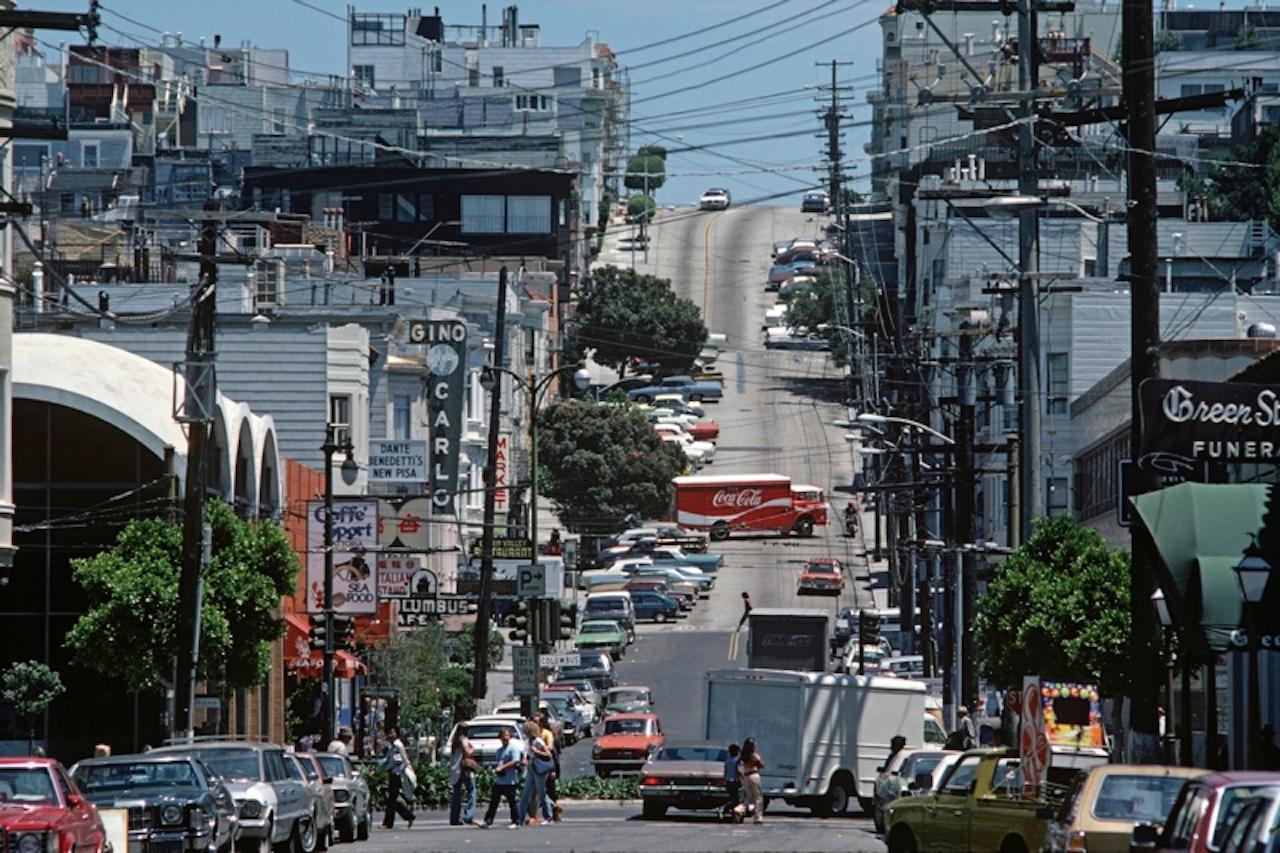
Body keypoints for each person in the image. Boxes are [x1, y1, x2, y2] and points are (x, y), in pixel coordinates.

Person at [482, 727, 523, 829]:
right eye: (504, 737)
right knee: (494, 801)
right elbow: (499, 762)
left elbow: (515, 761)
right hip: (500, 780)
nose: (506, 739)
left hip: (510, 781)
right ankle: (488, 820)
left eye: (508, 737)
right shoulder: (499, 751)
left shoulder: (513, 748)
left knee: (512, 802)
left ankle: (516, 821)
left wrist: (503, 767)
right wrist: (497, 769)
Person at [377, 727, 415, 829]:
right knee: (392, 800)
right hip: (393, 774)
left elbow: (404, 761)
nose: (390, 735)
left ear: (397, 734)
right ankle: (408, 816)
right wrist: (377, 770)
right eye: (389, 733)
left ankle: (389, 823)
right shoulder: (392, 746)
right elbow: (387, 761)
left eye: (392, 733)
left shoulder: (398, 745)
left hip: (397, 775)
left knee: (391, 799)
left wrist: (399, 771)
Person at [448, 728, 479, 826]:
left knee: (456, 794)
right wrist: (472, 749)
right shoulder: (464, 740)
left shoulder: (454, 742)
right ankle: (468, 815)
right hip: (464, 769)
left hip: (455, 770)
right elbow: (468, 752)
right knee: (472, 791)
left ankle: (454, 818)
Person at [537, 711, 563, 822]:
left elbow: (552, 753)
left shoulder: (547, 734)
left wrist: (553, 770)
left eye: (536, 722)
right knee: (536, 793)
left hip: (547, 766)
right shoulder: (533, 735)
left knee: (549, 791)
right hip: (536, 767)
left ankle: (554, 811)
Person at [738, 737, 766, 825]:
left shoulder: (743, 755)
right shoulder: (754, 755)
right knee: (758, 797)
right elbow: (761, 764)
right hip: (754, 775)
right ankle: (758, 817)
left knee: (748, 797)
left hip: (746, 776)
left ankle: (739, 809)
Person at [721, 743, 741, 818]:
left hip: (728, 781)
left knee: (733, 798)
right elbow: (738, 771)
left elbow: (725, 771)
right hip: (734, 781)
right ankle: (724, 808)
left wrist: (724, 779)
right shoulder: (737, 760)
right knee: (736, 800)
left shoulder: (727, 760)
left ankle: (732, 813)